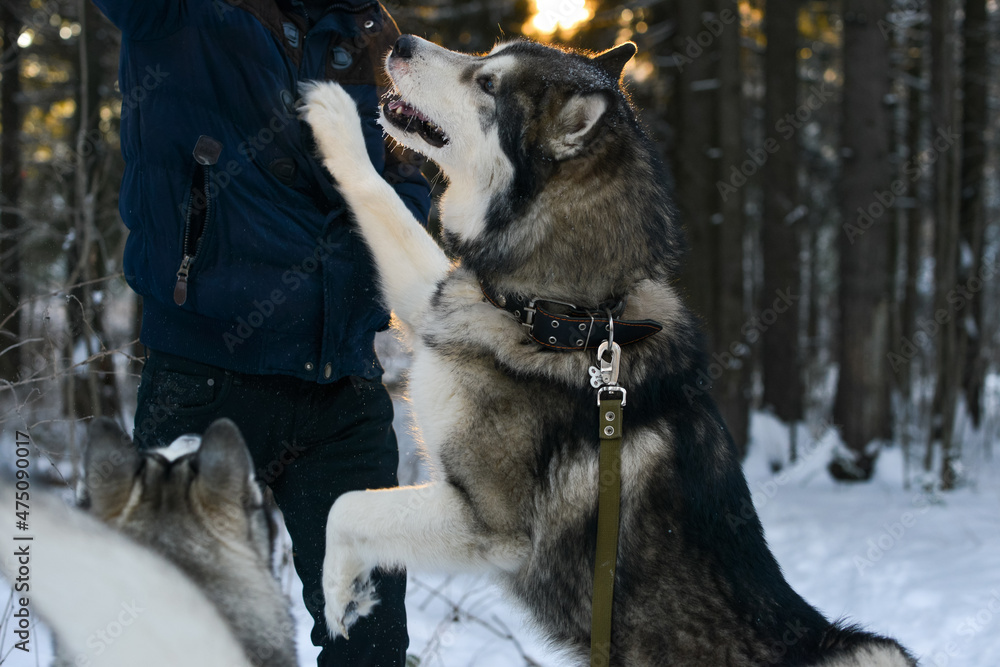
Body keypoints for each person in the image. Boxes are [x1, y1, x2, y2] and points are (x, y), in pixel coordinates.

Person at [90, 0, 431, 664]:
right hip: (203, 375)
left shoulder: (369, 30)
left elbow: (403, 169)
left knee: (370, 646)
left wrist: (383, 233)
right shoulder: (183, 13)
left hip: (342, 388)